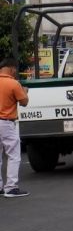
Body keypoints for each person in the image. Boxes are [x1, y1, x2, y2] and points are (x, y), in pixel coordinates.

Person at [0, 58, 30, 197]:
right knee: (13, 155)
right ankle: (11, 187)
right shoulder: (13, 83)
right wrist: (25, 92)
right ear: (11, 68)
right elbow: (23, 102)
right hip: (6, 122)